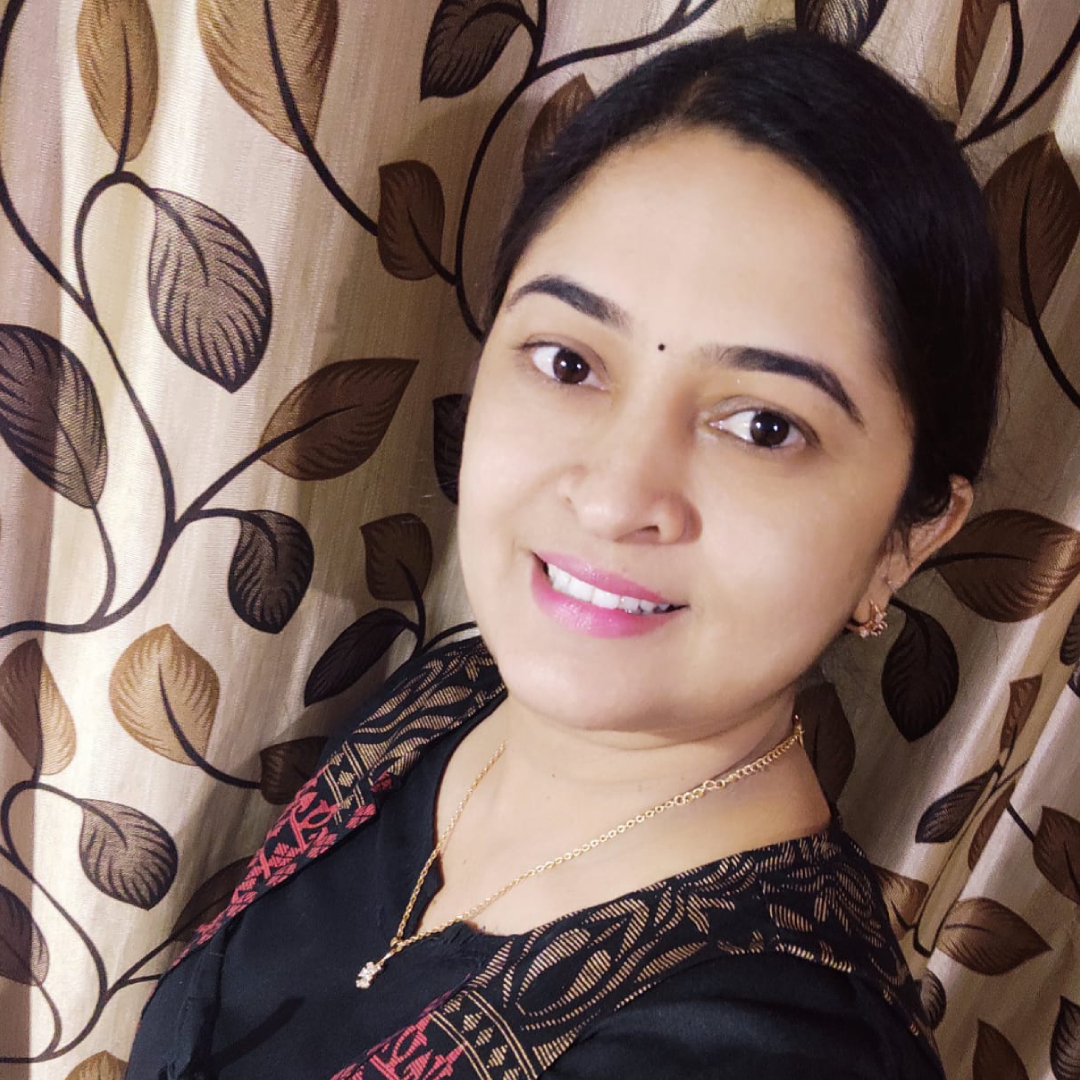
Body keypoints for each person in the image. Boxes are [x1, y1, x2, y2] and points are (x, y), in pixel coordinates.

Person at [127, 25, 1001, 1080]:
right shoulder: (453, 697)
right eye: (569, 361)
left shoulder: (775, 1051)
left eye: (765, 425)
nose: (615, 494)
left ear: (905, 541)